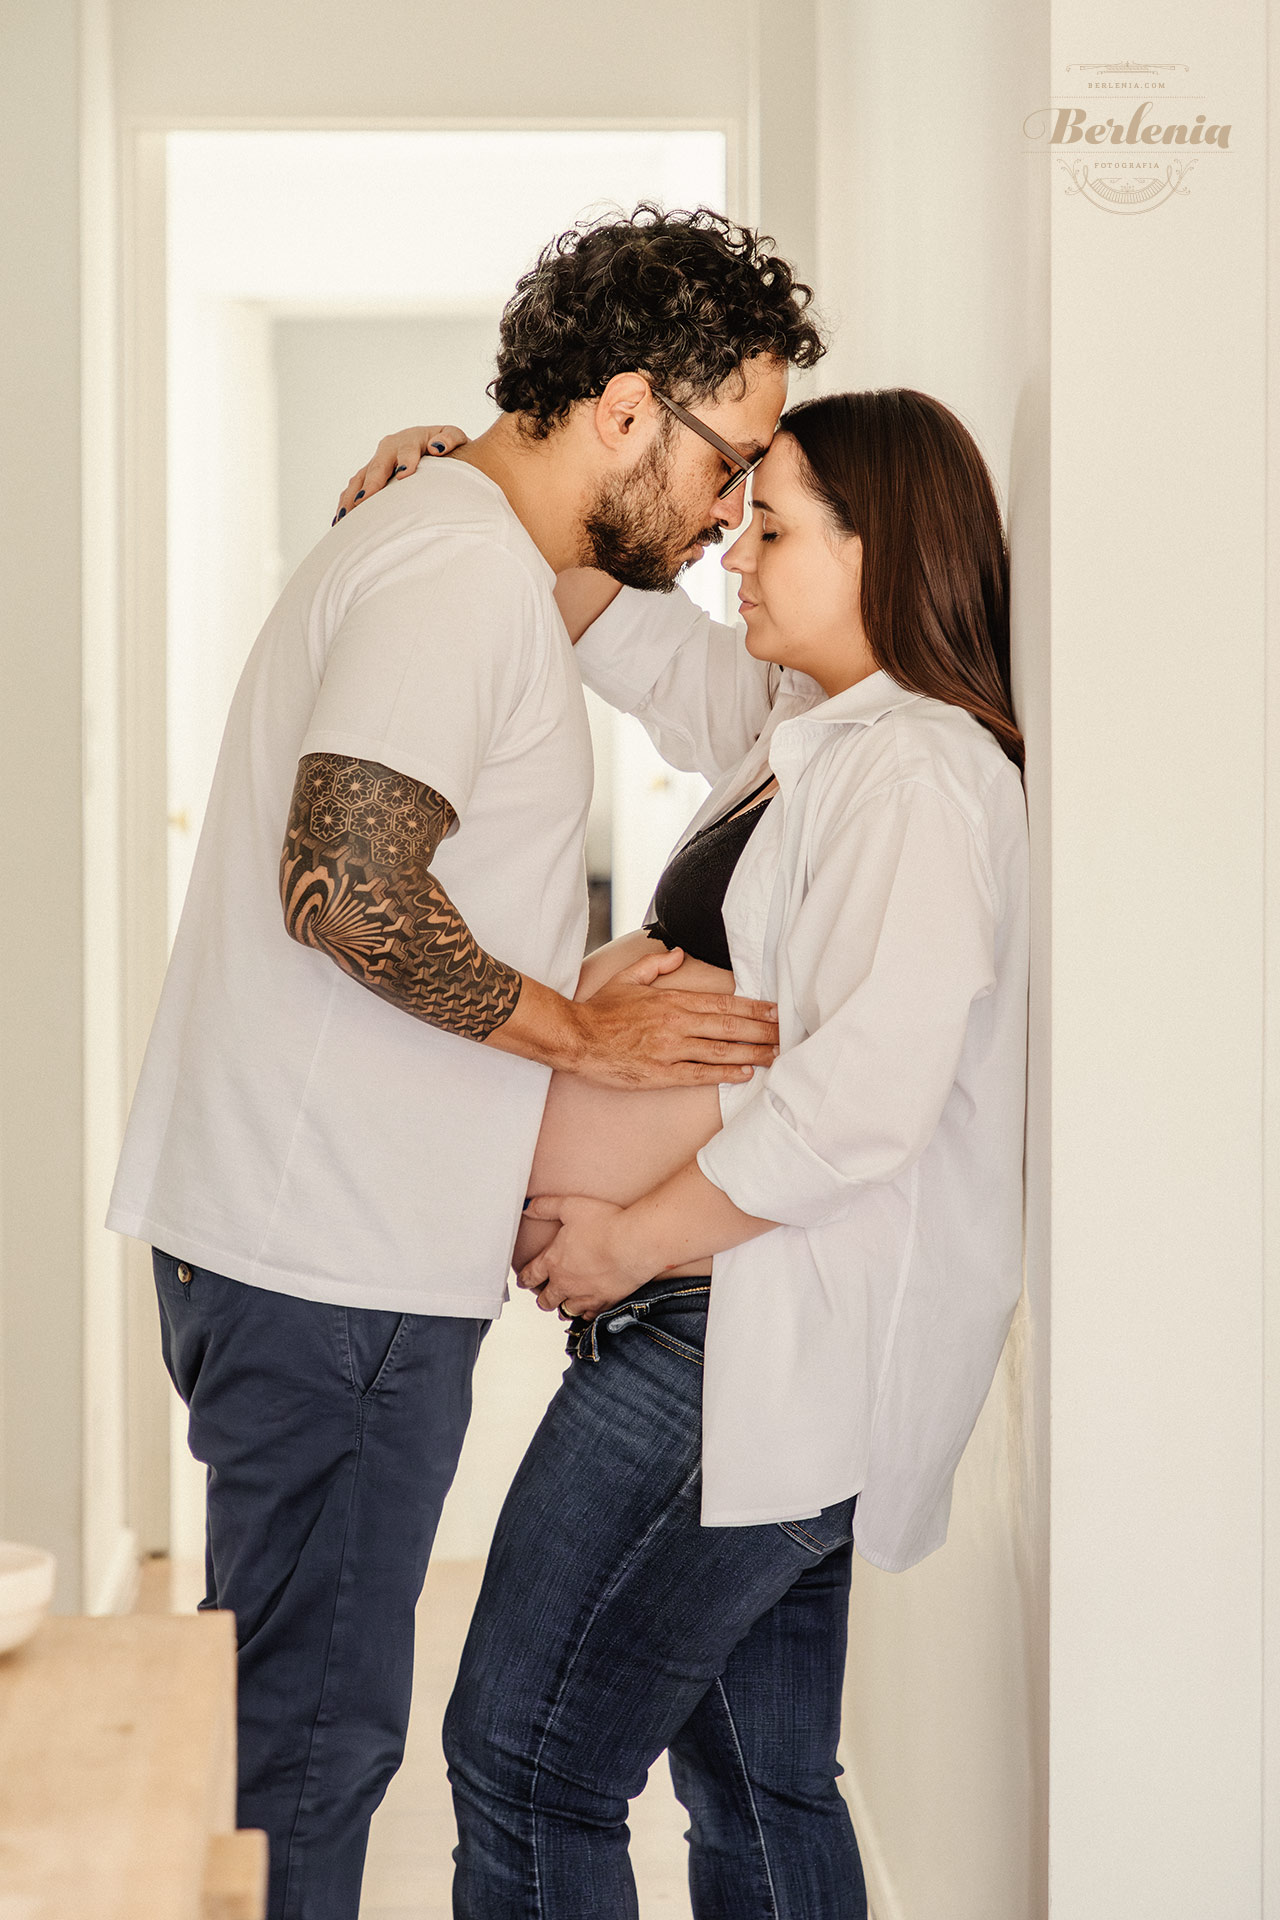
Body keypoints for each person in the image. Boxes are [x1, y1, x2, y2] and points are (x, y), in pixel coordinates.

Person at [106, 205, 824, 1920]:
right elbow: (344, 887)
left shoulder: (470, 552)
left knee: (298, 1729)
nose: (734, 507)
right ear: (633, 407)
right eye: (732, 458)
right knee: (310, 1746)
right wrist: (581, 1029)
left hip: (323, 1256)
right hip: (325, 1266)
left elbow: (638, 657)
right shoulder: (449, 566)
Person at [345, 386, 1029, 1919]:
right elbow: (627, 630)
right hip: (725, 1335)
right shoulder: (814, 732)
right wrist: (477, 474)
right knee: (757, 1778)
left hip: (732, 1340)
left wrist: (622, 1237)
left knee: (524, 1761)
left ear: (887, 551)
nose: (735, 551)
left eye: (772, 527)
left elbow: (862, 1098)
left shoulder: (913, 772)